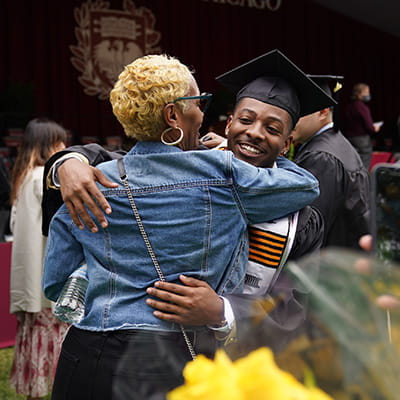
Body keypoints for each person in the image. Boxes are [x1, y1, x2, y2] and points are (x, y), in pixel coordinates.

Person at [42, 53, 323, 400]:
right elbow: (306, 183)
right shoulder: (228, 179)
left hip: (88, 353)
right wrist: (68, 161)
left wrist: (223, 311)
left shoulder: (92, 184)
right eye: (245, 120)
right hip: (172, 358)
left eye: (273, 128)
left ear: (288, 141)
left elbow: (55, 282)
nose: (253, 133)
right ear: (228, 122)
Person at [9, 118, 69, 400]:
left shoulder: (24, 178)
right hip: (47, 275)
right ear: (49, 146)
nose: (65, 147)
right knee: (54, 335)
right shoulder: (45, 179)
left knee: (38, 336)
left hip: (31, 278)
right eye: (59, 142)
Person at [291, 75, 370, 249]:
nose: (290, 117)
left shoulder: (322, 157)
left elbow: (309, 229)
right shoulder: (333, 144)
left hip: (327, 262)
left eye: (298, 110)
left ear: (323, 111)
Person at [342, 82, 381, 171]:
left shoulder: (349, 106)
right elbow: (369, 126)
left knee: (351, 164)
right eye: (366, 92)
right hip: (362, 140)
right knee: (364, 166)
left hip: (349, 138)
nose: (368, 95)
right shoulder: (362, 107)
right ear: (359, 94)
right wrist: (375, 129)